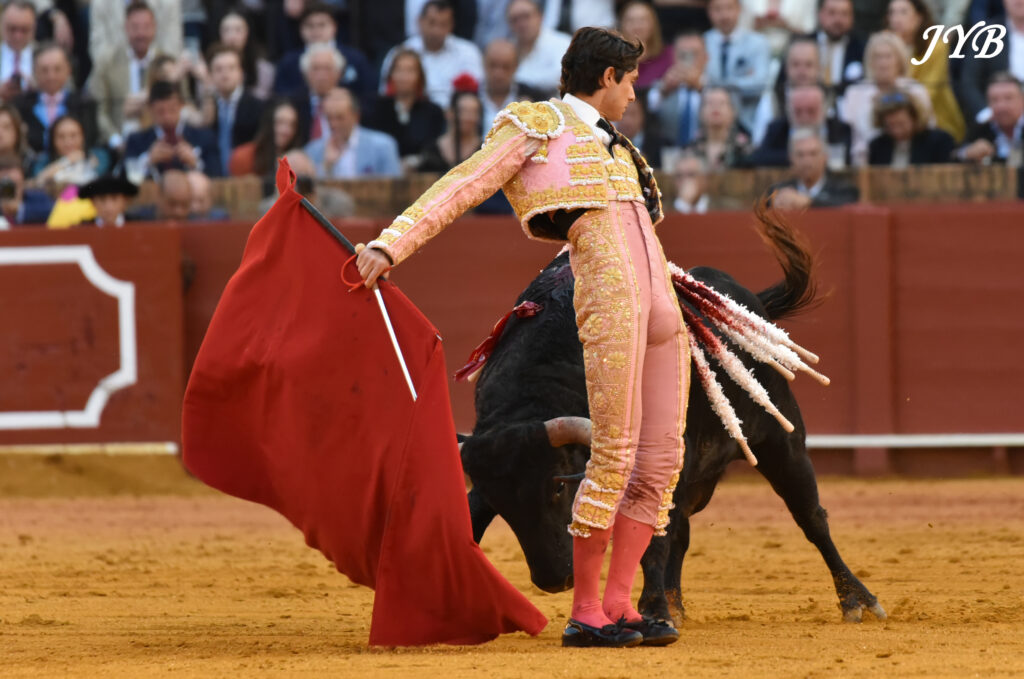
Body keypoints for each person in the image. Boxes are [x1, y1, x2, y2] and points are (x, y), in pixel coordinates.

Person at [356, 27, 687, 648]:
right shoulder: (538, 125)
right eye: (630, 81)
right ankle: (586, 612)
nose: (634, 94)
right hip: (611, 301)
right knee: (615, 455)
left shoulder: (619, 145)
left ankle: (620, 603)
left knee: (660, 463)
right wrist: (390, 243)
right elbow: (466, 183)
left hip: (663, 309)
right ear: (607, 77)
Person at [839, 31, 933, 166]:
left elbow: (927, 129)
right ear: (870, 61)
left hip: (911, 161)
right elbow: (850, 137)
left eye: (888, 56)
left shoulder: (915, 90)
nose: (883, 63)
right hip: (864, 163)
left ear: (899, 60)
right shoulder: (855, 93)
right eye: (878, 57)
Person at [378, 0, 484, 109]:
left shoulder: (468, 53)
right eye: (432, 23)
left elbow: (478, 95)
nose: (436, 31)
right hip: (414, 114)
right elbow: (386, 95)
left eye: (443, 24)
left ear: (452, 25)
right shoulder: (400, 53)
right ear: (420, 21)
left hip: (456, 115)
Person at [885, 0, 965, 142]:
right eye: (892, 13)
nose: (896, 18)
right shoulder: (883, 46)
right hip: (893, 121)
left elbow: (929, 92)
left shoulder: (936, 46)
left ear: (919, 17)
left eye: (903, 12)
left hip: (936, 121)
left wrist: (895, 105)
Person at [87, 1, 164, 147]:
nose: (141, 34)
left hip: (158, 140)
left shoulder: (165, 63)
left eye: (146, 27)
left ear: (155, 28)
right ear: (126, 28)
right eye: (135, 27)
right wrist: (116, 141)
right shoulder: (107, 63)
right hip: (119, 139)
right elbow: (99, 111)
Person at [272, 2, 376, 109]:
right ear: (301, 29)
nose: (316, 31)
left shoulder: (355, 59)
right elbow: (280, 100)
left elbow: (370, 97)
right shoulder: (289, 62)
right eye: (310, 25)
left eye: (322, 25)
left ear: (334, 26)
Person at [365, 49, 446, 170]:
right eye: (399, 70)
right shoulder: (376, 107)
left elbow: (434, 150)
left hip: (421, 174)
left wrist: (414, 162)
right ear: (391, 74)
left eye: (410, 71)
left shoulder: (433, 112)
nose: (404, 77)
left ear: (420, 76)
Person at [123, 80, 221, 179]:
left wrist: (196, 163)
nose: (167, 117)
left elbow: (219, 177)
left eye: (172, 110)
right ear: (150, 109)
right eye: (160, 112)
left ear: (181, 105)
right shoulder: (135, 141)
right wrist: (148, 160)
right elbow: (125, 178)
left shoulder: (205, 137)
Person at [13, 43, 97, 155]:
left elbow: (90, 140)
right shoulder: (20, 105)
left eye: (57, 69)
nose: (51, 76)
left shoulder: (84, 104)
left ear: (69, 70)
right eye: (44, 70)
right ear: (34, 71)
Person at [304, 87, 401, 178]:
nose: (333, 124)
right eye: (329, 118)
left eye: (340, 118)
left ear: (356, 116)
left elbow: (394, 186)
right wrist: (326, 166)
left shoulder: (383, 146)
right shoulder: (313, 150)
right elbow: (308, 187)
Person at [704, 0, 771, 131]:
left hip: (747, 120)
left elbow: (760, 83)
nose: (724, 15)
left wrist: (717, 85)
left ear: (739, 9)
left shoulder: (758, 43)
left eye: (729, 8)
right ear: (709, 12)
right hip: (709, 122)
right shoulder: (702, 42)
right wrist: (742, 81)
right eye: (717, 9)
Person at [750, 83, 852, 167]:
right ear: (789, 112)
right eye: (798, 112)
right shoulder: (777, 129)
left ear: (823, 110)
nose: (805, 117)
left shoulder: (840, 129)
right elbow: (760, 157)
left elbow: (847, 160)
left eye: (811, 111)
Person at [958, 0, 1024, 125]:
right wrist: (986, 114)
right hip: (996, 121)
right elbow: (969, 81)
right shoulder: (988, 33)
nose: (1018, 1)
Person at [205, 44, 264, 177]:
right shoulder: (206, 108)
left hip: (247, 177)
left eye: (231, 68)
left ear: (241, 73)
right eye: (218, 69)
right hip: (213, 177)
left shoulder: (258, 107)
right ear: (210, 75)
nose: (225, 74)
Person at [751, 36, 821, 144]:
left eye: (808, 65)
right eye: (796, 64)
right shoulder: (771, 100)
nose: (802, 71)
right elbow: (759, 142)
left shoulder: (831, 100)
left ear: (819, 67)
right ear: (786, 67)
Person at [769, 127, 859, 208]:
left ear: (825, 156)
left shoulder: (845, 190)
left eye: (813, 154)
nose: (806, 161)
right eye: (800, 154)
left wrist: (807, 202)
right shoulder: (778, 191)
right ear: (791, 158)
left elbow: (846, 206)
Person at [647, 31, 707, 149]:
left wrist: (701, 88)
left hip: (704, 151)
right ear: (673, 57)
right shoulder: (662, 86)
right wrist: (664, 91)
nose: (689, 60)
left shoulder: (715, 86)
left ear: (706, 57)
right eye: (683, 55)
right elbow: (646, 110)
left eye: (694, 54)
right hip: (668, 152)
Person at [867, 90, 954, 166]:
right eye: (890, 125)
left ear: (915, 118)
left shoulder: (938, 141)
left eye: (901, 124)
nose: (896, 131)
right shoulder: (877, 146)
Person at [507, 0, 572, 97]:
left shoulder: (561, 42)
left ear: (540, 16)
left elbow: (563, 76)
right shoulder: (508, 49)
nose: (521, 24)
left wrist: (518, 80)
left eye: (526, 16)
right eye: (515, 20)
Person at [88, 0, 181, 66]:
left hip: (158, 74)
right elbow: (99, 53)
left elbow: (172, 52)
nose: (140, 33)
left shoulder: (169, 2)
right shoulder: (101, 3)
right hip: (115, 75)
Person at [229, 99, 307, 177]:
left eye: (292, 125)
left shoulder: (299, 161)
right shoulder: (244, 157)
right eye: (280, 122)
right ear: (269, 123)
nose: (285, 130)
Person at [958, 72, 1024, 165]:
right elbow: (956, 154)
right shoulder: (980, 130)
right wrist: (968, 153)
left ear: (1022, 100)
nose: (1001, 106)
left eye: (1008, 98)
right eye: (994, 100)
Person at [29, 115, 110, 189]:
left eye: (73, 135)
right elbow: (37, 181)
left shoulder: (99, 155)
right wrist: (65, 161)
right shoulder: (43, 161)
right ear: (52, 140)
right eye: (61, 137)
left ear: (83, 137)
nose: (68, 142)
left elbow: (99, 175)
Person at [480, 38, 545, 124]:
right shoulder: (468, 97)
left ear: (516, 66)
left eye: (505, 67)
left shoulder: (535, 99)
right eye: (493, 65)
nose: (498, 74)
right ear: (483, 63)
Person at [419, 87, 484, 173]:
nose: (468, 117)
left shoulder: (485, 151)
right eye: (463, 111)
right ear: (449, 113)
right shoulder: (431, 150)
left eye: (474, 112)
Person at [688, 85, 753, 170]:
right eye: (710, 103)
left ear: (733, 112)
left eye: (722, 103)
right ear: (700, 112)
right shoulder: (690, 150)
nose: (715, 107)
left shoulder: (745, 149)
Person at [217, 8, 275, 100]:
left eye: (238, 30)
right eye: (226, 30)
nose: (232, 36)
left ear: (247, 33)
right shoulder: (211, 69)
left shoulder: (264, 69)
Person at [811, 0, 865, 99]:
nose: (838, 20)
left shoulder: (861, 49)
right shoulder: (804, 44)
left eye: (844, 14)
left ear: (852, 18)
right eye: (832, 13)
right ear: (820, 14)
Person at [618, 0, 672, 90]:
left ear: (653, 23)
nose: (637, 26)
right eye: (630, 20)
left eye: (643, 20)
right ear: (622, 24)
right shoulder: (612, 59)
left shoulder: (668, 55)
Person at [738, 0, 817, 59]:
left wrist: (786, 26)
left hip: (792, 57)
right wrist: (757, 24)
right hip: (754, 56)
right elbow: (740, 30)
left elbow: (809, 32)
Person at [0, 153, 54, 228]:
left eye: (15, 184)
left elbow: (54, 212)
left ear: (23, 179)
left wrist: (19, 209)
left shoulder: (40, 198)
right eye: (5, 186)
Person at [0, 1, 36, 102]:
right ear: (1, 25)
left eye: (24, 30)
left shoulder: (50, 56)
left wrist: (39, 92)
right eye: (12, 29)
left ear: (34, 27)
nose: (18, 36)